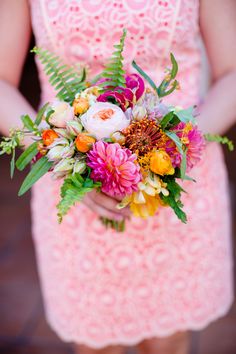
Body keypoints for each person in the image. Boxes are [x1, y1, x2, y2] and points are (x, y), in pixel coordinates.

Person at [0, 1, 235, 353]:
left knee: (169, 342)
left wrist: (171, 152)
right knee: (95, 344)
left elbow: (233, 71)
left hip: (179, 188)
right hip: (75, 194)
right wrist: (63, 157)